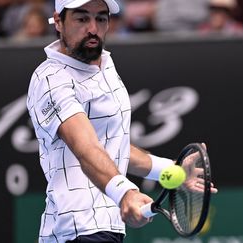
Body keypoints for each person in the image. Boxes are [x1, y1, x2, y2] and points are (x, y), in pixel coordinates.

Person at [26, 0, 217, 242]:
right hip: (76, 230)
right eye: (82, 19)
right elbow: (86, 148)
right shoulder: (51, 78)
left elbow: (111, 146)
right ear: (59, 22)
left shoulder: (105, 65)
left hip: (105, 229)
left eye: (101, 19)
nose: (93, 28)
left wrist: (170, 169)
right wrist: (125, 192)